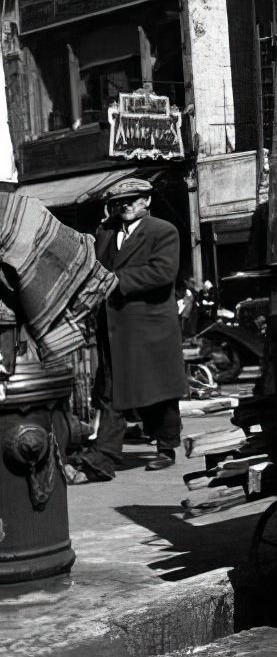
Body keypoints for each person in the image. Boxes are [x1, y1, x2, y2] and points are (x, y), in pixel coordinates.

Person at [66, 178, 186, 483]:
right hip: (113, 324)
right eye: (120, 202)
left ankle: (164, 446)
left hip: (149, 325)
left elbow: (162, 273)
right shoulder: (106, 232)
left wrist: (115, 281)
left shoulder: (163, 231)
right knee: (111, 390)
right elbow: (94, 265)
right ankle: (103, 457)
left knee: (157, 390)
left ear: (147, 201)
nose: (125, 206)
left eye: (132, 200)